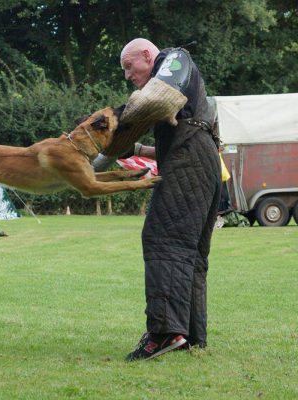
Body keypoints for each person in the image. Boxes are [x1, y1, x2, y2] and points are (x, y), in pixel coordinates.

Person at [96, 38, 221, 361]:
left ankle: (165, 333)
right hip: (200, 161)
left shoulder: (174, 60)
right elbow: (182, 135)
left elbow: (151, 103)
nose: (127, 76)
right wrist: (133, 149)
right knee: (191, 253)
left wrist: (111, 131)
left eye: (129, 66)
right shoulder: (186, 91)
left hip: (189, 162)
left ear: (147, 56)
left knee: (163, 239)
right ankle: (191, 334)